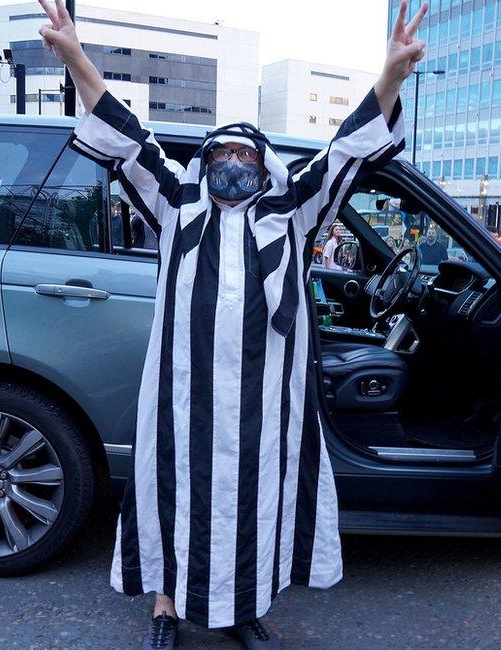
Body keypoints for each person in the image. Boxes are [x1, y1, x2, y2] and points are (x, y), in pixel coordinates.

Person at [37, 0, 427, 647]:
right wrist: (77, 57)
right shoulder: (174, 203)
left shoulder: (293, 210)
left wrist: (389, 77)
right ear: (207, 160)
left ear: (264, 162)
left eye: (247, 151)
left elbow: (343, 154)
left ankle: (242, 611)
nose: (234, 161)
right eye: (224, 151)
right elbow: (126, 138)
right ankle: (166, 607)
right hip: (180, 405)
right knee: (173, 500)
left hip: (264, 410)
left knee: (252, 508)